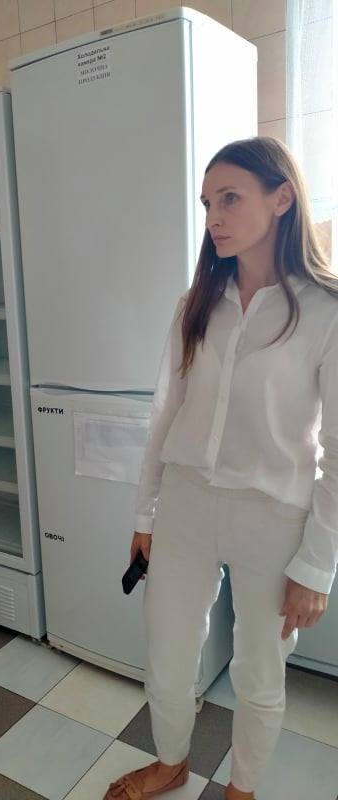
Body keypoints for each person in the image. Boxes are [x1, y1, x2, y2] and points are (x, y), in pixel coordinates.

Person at [105, 137, 337, 800]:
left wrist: (316, 567)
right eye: (208, 203)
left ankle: (242, 789)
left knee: (259, 671)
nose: (214, 217)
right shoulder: (197, 304)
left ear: (282, 199)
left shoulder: (326, 312)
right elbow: (166, 415)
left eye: (230, 198)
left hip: (276, 515)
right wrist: (145, 514)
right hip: (185, 505)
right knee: (168, 654)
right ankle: (171, 762)